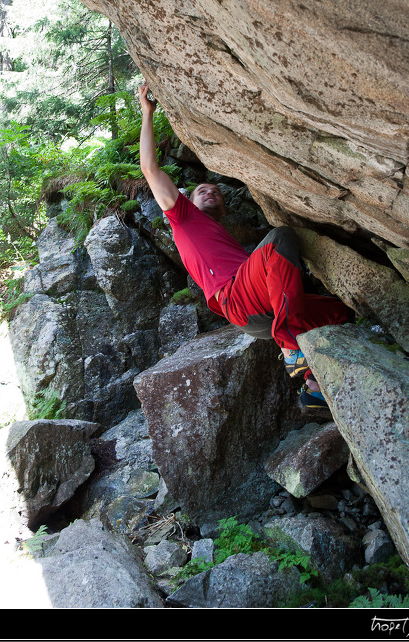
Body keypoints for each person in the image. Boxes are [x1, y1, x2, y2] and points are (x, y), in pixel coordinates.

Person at [138, 83, 352, 408]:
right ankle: (292, 348)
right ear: (188, 201)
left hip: (266, 307)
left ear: (223, 208)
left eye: (216, 191)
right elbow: (149, 169)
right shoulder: (182, 217)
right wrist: (147, 113)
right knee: (280, 238)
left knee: (339, 311)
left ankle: (315, 389)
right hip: (238, 300)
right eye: (202, 191)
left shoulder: (222, 235)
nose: (211, 192)